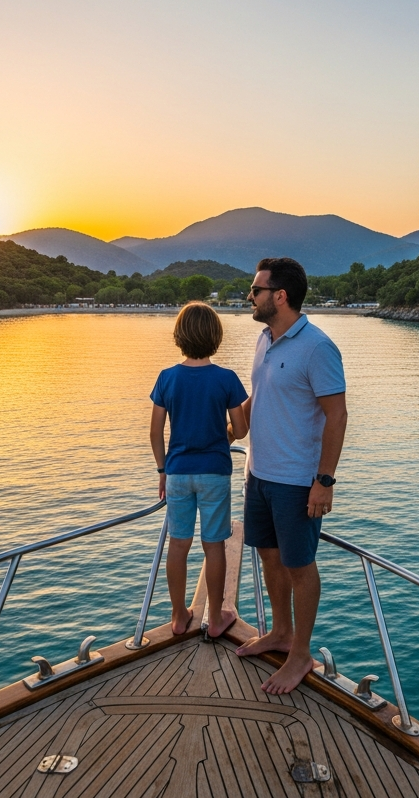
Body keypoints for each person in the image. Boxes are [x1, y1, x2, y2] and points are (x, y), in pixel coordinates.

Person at [232, 257, 347, 694]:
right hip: (258, 473)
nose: (250, 296)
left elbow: (337, 416)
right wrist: (230, 428)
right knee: (268, 554)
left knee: (300, 565)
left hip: (297, 480)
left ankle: (301, 654)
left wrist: (324, 480)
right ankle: (280, 632)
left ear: (279, 296)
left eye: (256, 290)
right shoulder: (265, 339)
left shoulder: (318, 348)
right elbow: (259, 395)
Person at [150, 301, 249, 638]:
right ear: (215, 337)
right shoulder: (226, 379)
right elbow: (241, 429)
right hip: (214, 473)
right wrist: (225, 431)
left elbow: (155, 433)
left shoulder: (167, 378)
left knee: (178, 545)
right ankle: (217, 619)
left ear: (179, 336)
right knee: (214, 545)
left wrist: (162, 471)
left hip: (177, 472)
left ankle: (179, 616)